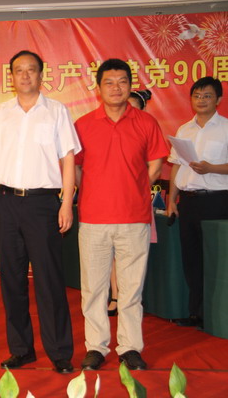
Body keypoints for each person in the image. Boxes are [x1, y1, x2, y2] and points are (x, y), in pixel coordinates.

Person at [0, 50, 80, 374]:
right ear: (11, 76)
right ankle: (21, 350)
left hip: (43, 204)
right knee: (11, 280)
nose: (25, 75)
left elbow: (68, 158)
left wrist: (66, 202)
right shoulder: (0, 113)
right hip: (6, 202)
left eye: (31, 70)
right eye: (18, 70)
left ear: (41, 75)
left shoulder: (56, 111)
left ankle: (59, 352)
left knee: (49, 280)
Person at [75, 59, 169, 371]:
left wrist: (137, 188)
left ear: (130, 85)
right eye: (109, 82)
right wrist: (92, 191)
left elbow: (156, 163)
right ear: (98, 88)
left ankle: (130, 347)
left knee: (131, 289)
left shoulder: (146, 123)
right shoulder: (84, 125)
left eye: (122, 82)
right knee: (94, 289)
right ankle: (96, 347)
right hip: (93, 219)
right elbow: (76, 167)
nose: (116, 88)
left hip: (134, 217)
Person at [167, 77, 228, 329]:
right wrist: (172, 200)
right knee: (192, 259)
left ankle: (216, 315)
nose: (201, 100)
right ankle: (196, 314)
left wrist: (211, 168)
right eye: (197, 96)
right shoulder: (184, 130)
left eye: (207, 96)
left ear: (218, 100)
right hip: (188, 202)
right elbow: (176, 167)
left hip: (217, 202)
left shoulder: (226, 128)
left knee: (215, 260)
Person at [108, 89, 153, 317]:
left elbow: (153, 166)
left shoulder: (146, 132)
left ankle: (132, 300)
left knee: (133, 256)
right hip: (111, 202)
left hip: (136, 204)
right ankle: (115, 296)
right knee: (113, 254)